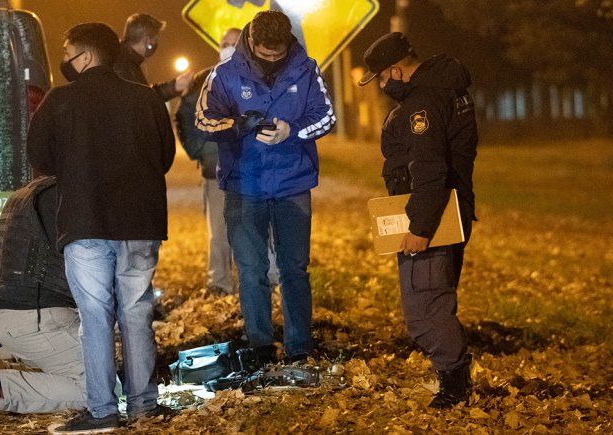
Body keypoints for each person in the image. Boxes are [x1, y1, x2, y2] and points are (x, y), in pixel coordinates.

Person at [27, 23, 175, 432]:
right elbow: (164, 156)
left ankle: (102, 411)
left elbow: (38, 154)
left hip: (84, 220)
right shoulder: (146, 100)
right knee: (136, 311)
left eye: (69, 53)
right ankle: (144, 405)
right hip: (139, 223)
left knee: (94, 317)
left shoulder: (60, 101)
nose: (66, 61)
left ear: (86, 57)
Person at [195, 11, 335, 363]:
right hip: (245, 185)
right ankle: (259, 344)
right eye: (265, 55)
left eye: (279, 55)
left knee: (294, 269)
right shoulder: (224, 75)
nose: (272, 62)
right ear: (252, 43)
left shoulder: (306, 69)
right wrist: (237, 124)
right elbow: (203, 121)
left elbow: (325, 116)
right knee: (252, 269)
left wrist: (294, 130)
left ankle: (300, 345)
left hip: (293, 184)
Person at [358, 32, 478, 408]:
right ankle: (454, 377)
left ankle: (455, 387)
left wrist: (419, 229)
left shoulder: (422, 102)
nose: (381, 85)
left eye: (380, 77)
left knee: (424, 310)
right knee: (438, 299)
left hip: (431, 218)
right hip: (452, 211)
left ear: (397, 69)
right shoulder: (449, 88)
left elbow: (428, 169)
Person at [0, 176, 86, 416]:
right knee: (100, 389)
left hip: (9, 320)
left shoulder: (25, 195)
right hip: (38, 320)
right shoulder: (67, 198)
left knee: (84, 363)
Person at [176, 28, 279, 295]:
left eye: (235, 43)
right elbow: (185, 115)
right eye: (225, 43)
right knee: (219, 234)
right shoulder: (203, 80)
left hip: (254, 169)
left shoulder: (261, 77)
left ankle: (265, 280)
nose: (229, 47)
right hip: (217, 170)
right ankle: (220, 284)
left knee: (259, 228)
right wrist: (202, 150)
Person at [114, 13, 192, 101]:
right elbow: (144, 101)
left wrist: (175, 86)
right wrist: (173, 88)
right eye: (156, 40)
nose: (156, 44)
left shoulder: (122, 59)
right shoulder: (124, 66)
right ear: (147, 41)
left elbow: (145, 94)